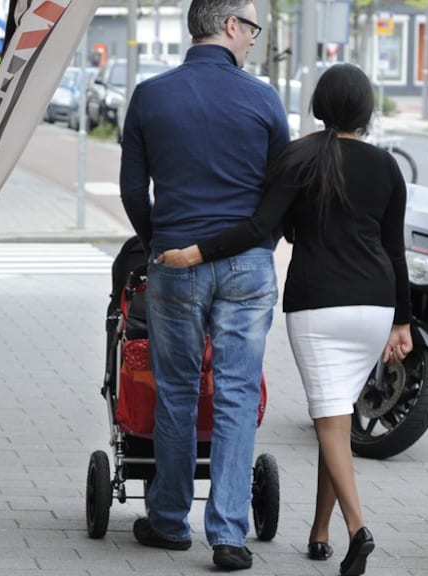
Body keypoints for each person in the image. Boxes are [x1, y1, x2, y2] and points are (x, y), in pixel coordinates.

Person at [158, 63, 411, 576]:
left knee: (330, 420)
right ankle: (319, 533)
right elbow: (394, 249)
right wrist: (402, 322)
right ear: (364, 110)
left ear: (321, 104)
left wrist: (195, 254)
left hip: (318, 305)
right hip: (374, 307)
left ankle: (357, 530)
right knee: (335, 416)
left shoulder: (300, 159)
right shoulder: (386, 167)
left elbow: (260, 228)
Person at [118, 0, 290, 570]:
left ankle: (168, 521)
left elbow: (130, 188)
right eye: (251, 29)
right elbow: (279, 191)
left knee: (178, 389)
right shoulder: (264, 98)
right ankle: (229, 536)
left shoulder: (151, 95)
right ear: (229, 26)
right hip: (247, 265)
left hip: (176, 263)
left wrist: (157, 241)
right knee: (238, 393)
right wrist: (259, 245)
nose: (252, 41)